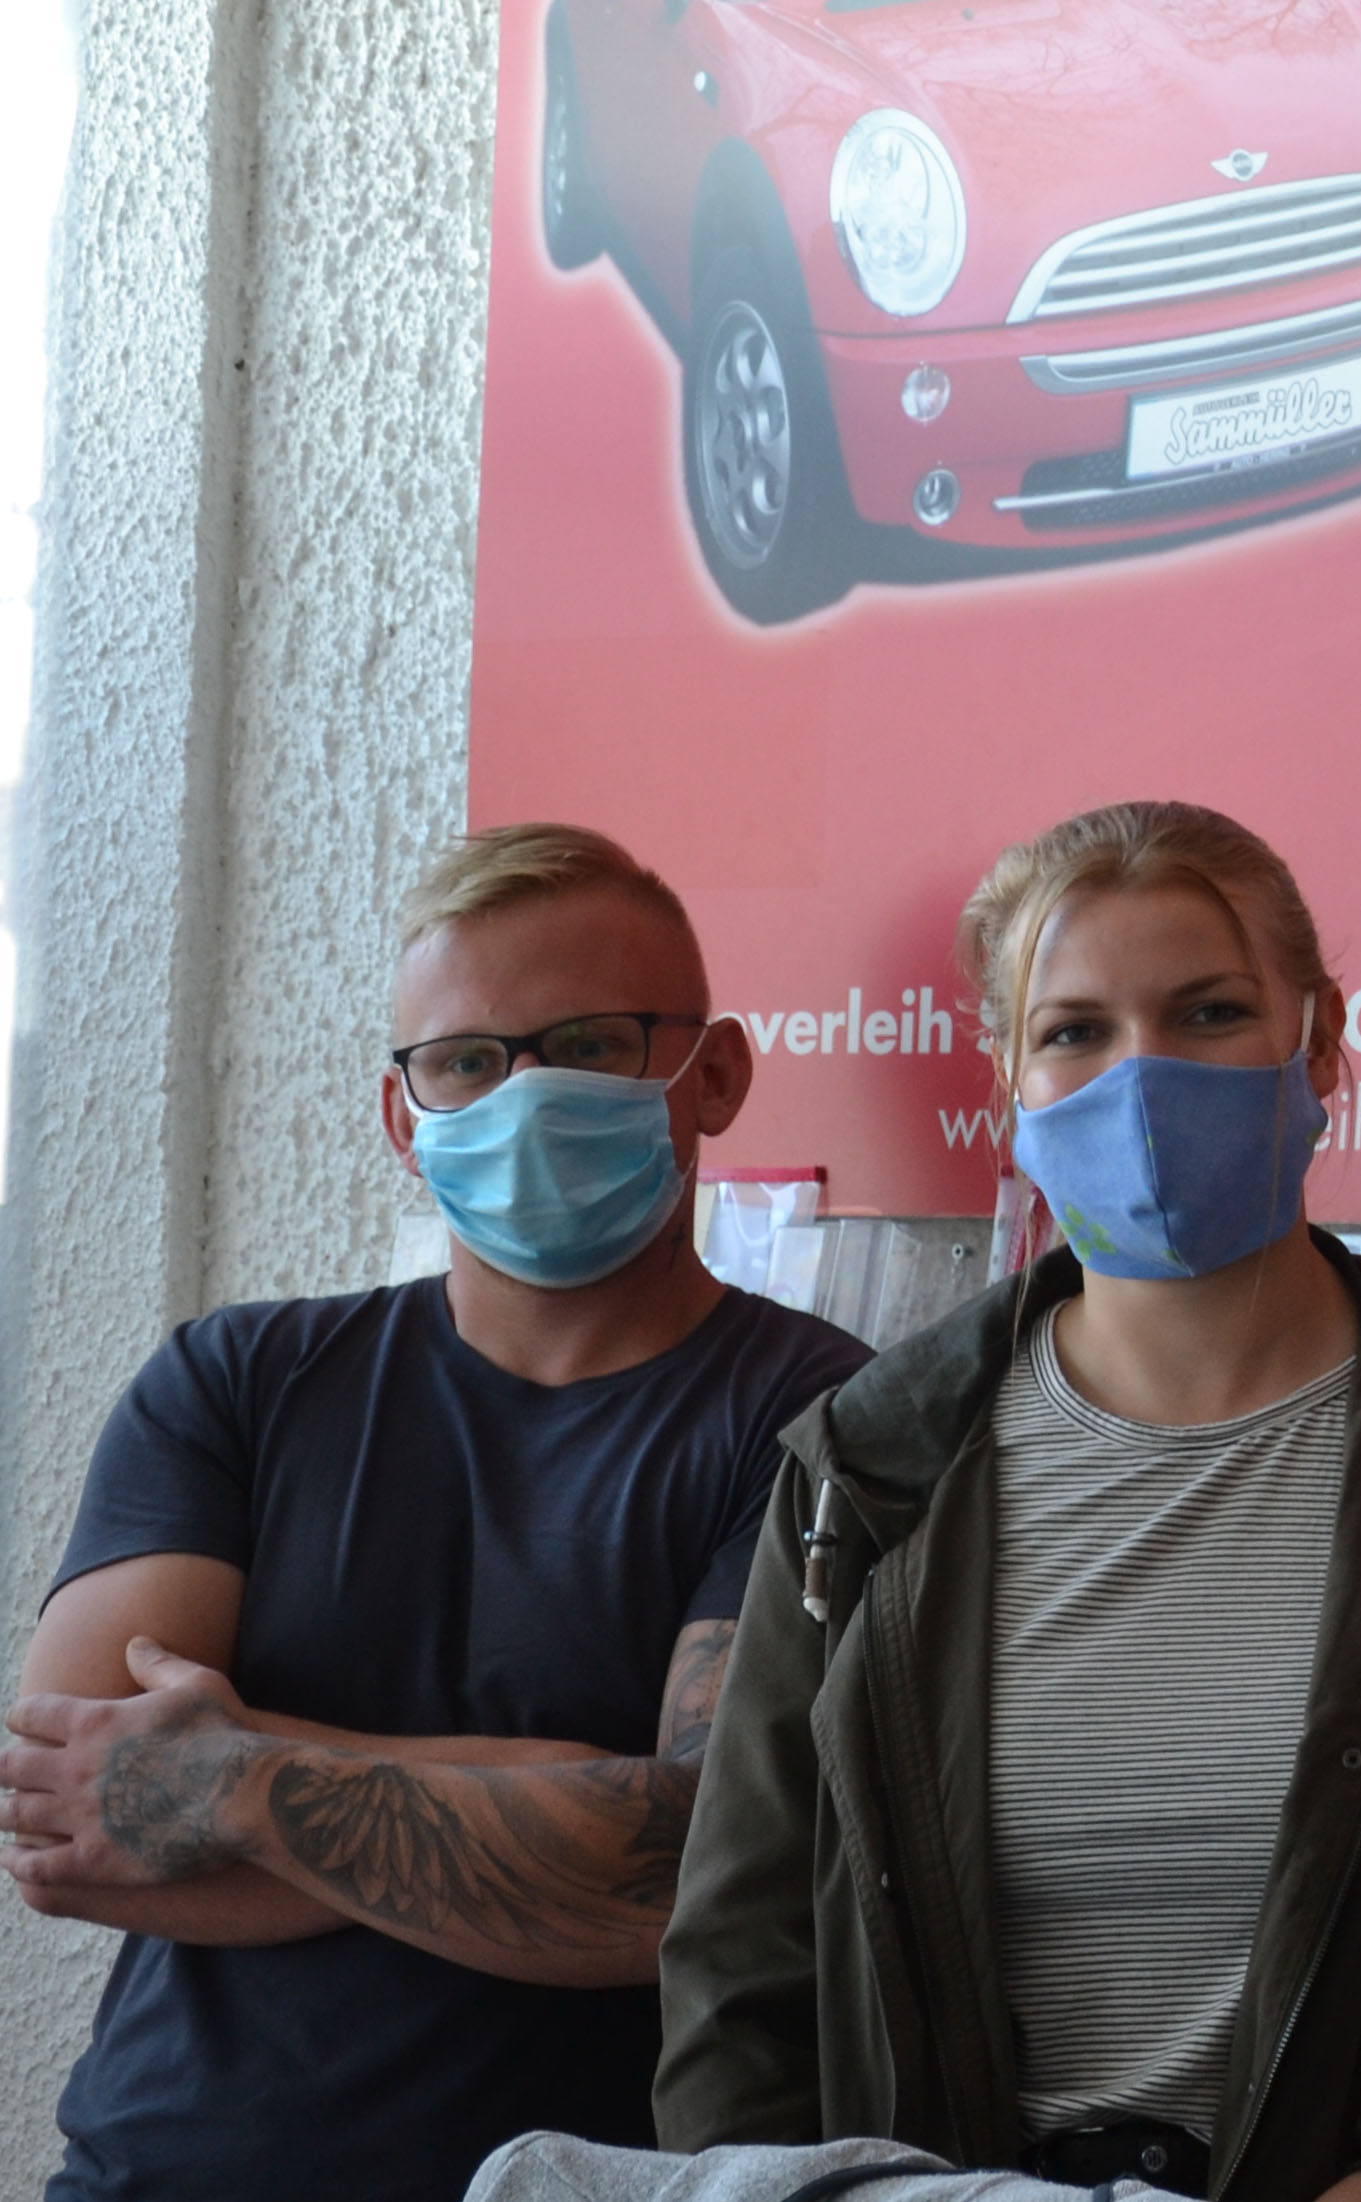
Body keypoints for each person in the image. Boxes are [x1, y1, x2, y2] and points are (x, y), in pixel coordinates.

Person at [653, 800, 1361, 2202]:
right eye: (1075, 1030)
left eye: (1211, 1012)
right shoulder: (867, 1466)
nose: (1141, 1078)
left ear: (1320, 1041)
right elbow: (741, 1980)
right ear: (1009, 1078)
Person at [0, 824, 873, 2202]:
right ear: (404, 1116)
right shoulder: (234, 1380)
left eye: (586, 1044)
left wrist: (235, 1775)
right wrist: (557, 1790)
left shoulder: (828, 1421)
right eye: (466, 1059)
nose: (521, 1094)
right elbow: (70, 1824)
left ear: (714, 1074)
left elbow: (697, 1872)